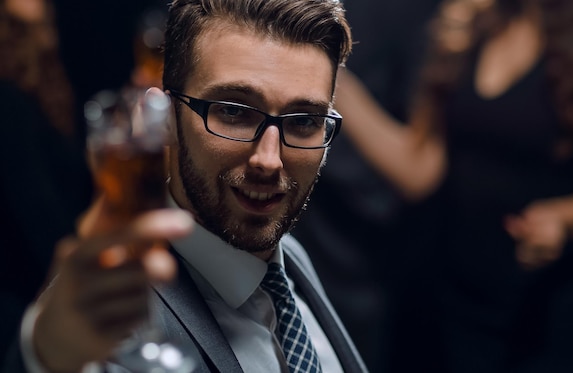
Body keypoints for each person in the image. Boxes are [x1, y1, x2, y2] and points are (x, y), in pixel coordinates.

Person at [2, 0, 368, 372]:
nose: (269, 159)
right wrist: (45, 356)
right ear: (164, 119)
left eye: (304, 120)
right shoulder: (118, 327)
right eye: (233, 111)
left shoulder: (290, 259)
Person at [335, 0, 573, 371]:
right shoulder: (474, 27)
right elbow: (420, 170)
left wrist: (565, 219)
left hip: (550, 307)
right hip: (454, 298)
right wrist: (335, 80)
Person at [289, 0, 442, 371]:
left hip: (355, 257)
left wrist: (324, 72)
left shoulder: (413, 15)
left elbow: (422, 171)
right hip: (269, 227)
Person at [0, 0, 92, 362]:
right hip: (28, 302)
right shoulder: (8, 104)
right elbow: (41, 219)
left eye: (45, 25)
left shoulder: (40, 91)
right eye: (25, 28)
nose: (45, 38)